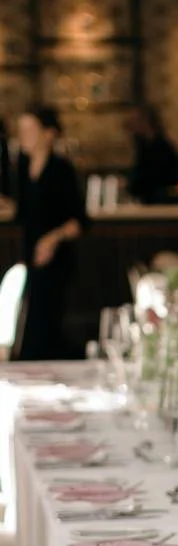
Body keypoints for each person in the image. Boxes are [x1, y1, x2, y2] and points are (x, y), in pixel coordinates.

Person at [8, 106, 85, 360]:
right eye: (21, 132)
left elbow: (79, 220)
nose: (23, 137)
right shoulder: (22, 167)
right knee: (30, 323)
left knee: (47, 326)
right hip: (28, 254)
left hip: (56, 257)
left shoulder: (61, 169)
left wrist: (52, 240)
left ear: (48, 134)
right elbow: (24, 211)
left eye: (29, 130)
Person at [127, 104, 178, 204]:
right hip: (151, 198)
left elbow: (159, 176)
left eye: (134, 120)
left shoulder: (160, 146)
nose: (131, 124)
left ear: (145, 121)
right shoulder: (144, 145)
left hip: (162, 200)